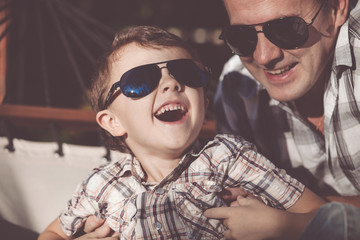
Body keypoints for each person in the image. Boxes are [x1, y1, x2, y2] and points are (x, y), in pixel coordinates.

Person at [38, 26, 325, 240]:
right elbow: (52, 233)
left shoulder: (229, 158)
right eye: (141, 81)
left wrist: (279, 226)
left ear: (204, 102)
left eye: (186, 73)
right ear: (113, 122)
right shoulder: (101, 186)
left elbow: (324, 217)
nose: (171, 83)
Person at [205, 0, 360, 239]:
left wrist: (293, 221)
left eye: (286, 29)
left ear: (337, 9)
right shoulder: (237, 85)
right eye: (242, 36)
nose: (264, 56)